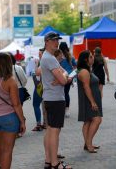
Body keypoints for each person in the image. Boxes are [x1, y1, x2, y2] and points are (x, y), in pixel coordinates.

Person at [40, 32, 72, 169]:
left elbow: (65, 72)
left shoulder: (48, 57)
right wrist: (63, 78)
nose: (56, 42)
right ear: (46, 41)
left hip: (50, 98)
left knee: (50, 130)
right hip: (55, 99)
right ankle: (54, 163)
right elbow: (64, 79)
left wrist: (63, 77)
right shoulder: (50, 58)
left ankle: (49, 160)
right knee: (54, 131)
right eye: (53, 40)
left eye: (57, 40)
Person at [77, 50, 102, 153]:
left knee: (88, 121)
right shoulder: (84, 71)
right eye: (91, 56)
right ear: (86, 59)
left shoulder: (87, 70)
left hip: (92, 99)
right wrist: (92, 102)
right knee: (97, 120)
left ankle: (87, 144)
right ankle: (88, 143)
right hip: (88, 100)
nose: (93, 58)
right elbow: (86, 87)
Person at [59, 42, 77, 118]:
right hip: (69, 77)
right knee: (66, 93)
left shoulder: (58, 56)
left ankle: (62, 109)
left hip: (61, 76)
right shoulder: (71, 57)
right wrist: (72, 77)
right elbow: (76, 68)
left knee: (61, 93)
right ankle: (67, 109)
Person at [31, 48, 45, 131]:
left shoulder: (42, 64)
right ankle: (45, 123)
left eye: (40, 54)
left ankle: (39, 124)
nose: (39, 56)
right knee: (44, 106)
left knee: (36, 105)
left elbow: (37, 73)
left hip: (39, 87)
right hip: (45, 87)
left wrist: (36, 65)